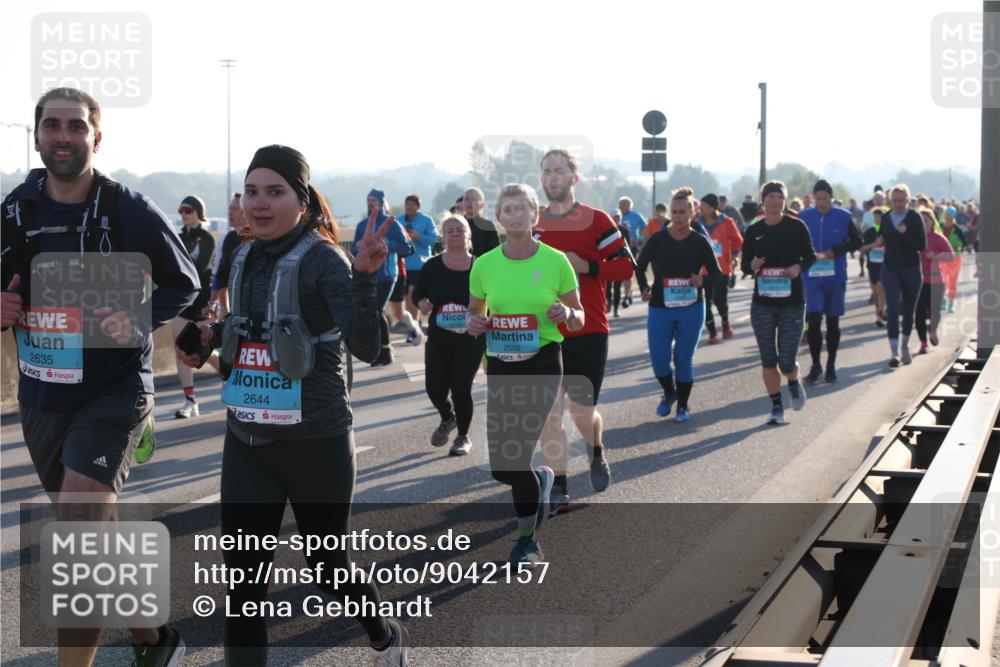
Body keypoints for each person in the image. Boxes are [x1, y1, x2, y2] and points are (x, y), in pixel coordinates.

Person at [178, 145, 409, 666]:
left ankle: (383, 634)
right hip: (248, 440)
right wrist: (207, 342)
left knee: (328, 570)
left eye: (274, 192)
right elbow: (244, 343)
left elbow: (367, 347)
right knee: (244, 587)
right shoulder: (240, 253)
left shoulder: (324, 259)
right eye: (251, 192)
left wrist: (365, 277)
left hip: (316, 443)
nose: (259, 203)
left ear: (301, 202)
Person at [1, 87, 199, 667]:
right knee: (94, 533)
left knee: (79, 531)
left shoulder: (127, 208)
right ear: (37, 135)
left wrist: (137, 315)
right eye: (52, 126)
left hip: (114, 390)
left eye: (76, 127)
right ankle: (154, 637)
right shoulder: (14, 210)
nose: (63, 137)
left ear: (96, 137)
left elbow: (184, 281)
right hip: (41, 393)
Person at [466, 183, 584, 566]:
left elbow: (579, 317)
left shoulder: (555, 261)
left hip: (542, 363)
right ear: (499, 217)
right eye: (508, 209)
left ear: (535, 214)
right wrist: (474, 323)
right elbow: (475, 312)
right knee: (501, 467)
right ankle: (542, 481)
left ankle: (527, 541)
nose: (515, 215)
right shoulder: (484, 264)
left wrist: (567, 314)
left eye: (522, 209)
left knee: (515, 459)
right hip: (501, 364)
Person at [534, 148, 634, 514]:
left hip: (588, 330)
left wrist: (587, 266)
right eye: (547, 171)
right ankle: (559, 486)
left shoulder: (596, 220)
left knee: (581, 412)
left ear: (574, 178)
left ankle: (595, 450)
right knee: (549, 414)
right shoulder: (532, 223)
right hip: (545, 333)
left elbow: (625, 267)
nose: (552, 177)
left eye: (559, 171)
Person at [636, 187, 722, 421]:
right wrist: (644, 287)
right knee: (659, 360)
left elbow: (716, 273)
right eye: (674, 212)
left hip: (691, 308)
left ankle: (683, 405)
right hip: (660, 308)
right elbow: (640, 266)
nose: (678, 216)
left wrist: (702, 280)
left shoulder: (699, 241)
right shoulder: (658, 239)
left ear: (692, 213)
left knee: (683, 359)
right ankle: (669, 392)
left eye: (682, 212)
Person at [741, 180, 817, 425]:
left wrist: (798, 267)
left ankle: (793, 380)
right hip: (762, 303)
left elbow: (811, 256)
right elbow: (744, 265)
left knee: (786, 362)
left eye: (779, 197)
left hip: (791, 303)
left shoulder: (796, 226)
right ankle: (776, 407)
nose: (775, 201)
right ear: (763, 201)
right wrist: (752, 265)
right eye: (770, 197)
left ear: (785, 201)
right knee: (767, 359)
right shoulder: (754, 230)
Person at [413, 214, 485, 456]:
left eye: (460, 229)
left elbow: (494, 297)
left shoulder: (480, 266)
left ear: (469, 235)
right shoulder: (432, 266)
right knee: (435, 389)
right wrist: (422, 303)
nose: (455, 233)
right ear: (442, 237)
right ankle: (448, 417)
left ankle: (463, 437)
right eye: (450, 230)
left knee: (461, 389)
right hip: (439, 338)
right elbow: (418, 294)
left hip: (471, 337)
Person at [798, 180, 862, 384]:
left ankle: (831, 365)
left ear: (831, 198)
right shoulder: (804, 217)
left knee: (833, 322)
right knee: (814, 320)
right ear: (813, 198)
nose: (822, 202)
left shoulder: (843, 216)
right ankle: (816, 364)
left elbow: (857, 241)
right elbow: (796, 242)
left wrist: (835, 251)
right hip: (811, 277)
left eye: (825, 199)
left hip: (835, 275)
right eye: (818, 199)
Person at [353, 189, 414, 366]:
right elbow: (355, 250)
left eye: (374, 200)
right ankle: (380, 350)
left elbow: (408, 248)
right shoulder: (362, 225)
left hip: (387, 275)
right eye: (368, 199)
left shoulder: (391, 224)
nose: (370, 202)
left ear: (381, 202)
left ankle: (385, 351)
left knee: (377, 310)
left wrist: (387, 243)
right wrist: (359, 248)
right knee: (373, 312)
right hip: (368, 276)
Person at [172, 194, 217, 418]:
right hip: (181, 300)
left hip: (202, 301)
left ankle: (228, 372)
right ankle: (190, 401)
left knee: (202, 350)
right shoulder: (177, 237)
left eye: (187, 210)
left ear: (198, 212)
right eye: (181, 211)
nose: (184, 214)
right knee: (181, 349)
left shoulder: (207, 238)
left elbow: (198, 268)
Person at [878, 184, 926, 367]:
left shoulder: (914, 218)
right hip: (890, 267)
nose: (897, 204)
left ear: (907, 200)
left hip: (911, 269)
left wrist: (905, 234)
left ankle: (905, 345)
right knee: (892, 310)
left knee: (908, 310)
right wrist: (879, 240)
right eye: (894, 201)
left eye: (901, 201)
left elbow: (921, 245)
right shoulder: (886, 217)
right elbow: (882, 236)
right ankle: (893, 352)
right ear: (890, 200)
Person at [698, 193, 743, 344]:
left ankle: (725, 323)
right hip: (702, 270)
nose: (700, 208)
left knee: (720, 301)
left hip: (722, 269)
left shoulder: (726, 222)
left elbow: (738, 241)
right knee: (704, 303)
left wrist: (734, 256)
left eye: (703, 205)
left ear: (712, 208)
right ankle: (712, 333)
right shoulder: (697, 223)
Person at [915, 208, 954, 354]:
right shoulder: (915, 238)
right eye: (921, 220)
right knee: (919, 313)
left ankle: (933, 330)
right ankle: (923, 343)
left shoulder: (938, 238)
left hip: (936, 280)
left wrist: (936, 256)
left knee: (934, 311)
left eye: (926, 220)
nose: (923, 223)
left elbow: (951, 255)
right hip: (919, 281)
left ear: (932, 222)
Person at [400, 194, 438, 341]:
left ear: (418, 206)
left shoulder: (426, 220)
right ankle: (413, 325)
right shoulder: (399, 220)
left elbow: (434, 240)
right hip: (403, 265)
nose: (409, 207)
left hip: (420, 266)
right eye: (407, 204)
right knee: (404, 299)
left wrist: (419, 236)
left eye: (412, 204)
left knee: (412, 294)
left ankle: (413, 329)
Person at [861, 207, 888, 327]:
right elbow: (862, 249)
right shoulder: (869, 232)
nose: (877, 219)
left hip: (885, 265)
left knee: (881, 288)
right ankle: (879, 310)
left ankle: (880, 315)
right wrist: (874, 244)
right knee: (876, 291)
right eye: (875, 217)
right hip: (872, 265)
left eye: (880, 217)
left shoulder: (888, 231)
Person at [939, 207, 968, 313]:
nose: (947, 216)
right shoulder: (940, 227)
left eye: (949, 215)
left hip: (954, 259)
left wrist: (958, 245)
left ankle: (951, 303)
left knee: (952, 281)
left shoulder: (957, 229)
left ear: (953, 216)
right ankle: (943, 300)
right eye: (946, 214)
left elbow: (964, 243)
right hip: (942, 258)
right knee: (942, 280)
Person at [618, 197, 646, 307]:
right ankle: (628, 292)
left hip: (632, 246)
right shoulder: (616, 216)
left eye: (623, 205)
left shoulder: (636, 215)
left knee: (628, 270)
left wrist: (640, 239)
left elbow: (644, 227)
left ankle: (627, 294)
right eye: (620, 204)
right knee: (622, 271)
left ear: (629, 206)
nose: (620, 207)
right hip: (618, 247)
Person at [461, 186, 501, 257]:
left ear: (482, 204)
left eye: (474, 199)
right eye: (466, 199)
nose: (470, 202)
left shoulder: (487, 225)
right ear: (462, 204)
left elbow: (494, 251)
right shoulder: (457, 223)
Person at [606, 213, 632, 318]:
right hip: (608, 261)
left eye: (618, 217)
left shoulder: (624, 231)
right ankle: (609, 301)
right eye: (615, 217)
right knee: (608, 286)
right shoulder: (606, 230)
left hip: (620, 261)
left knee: (617, 287)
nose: (617, 219)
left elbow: (628, 247)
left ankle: (616, 309)